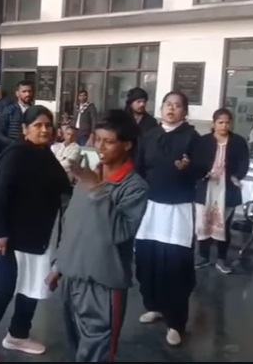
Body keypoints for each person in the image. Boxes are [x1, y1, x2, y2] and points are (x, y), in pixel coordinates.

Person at [0, 106, 73, 363]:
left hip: (39, 236)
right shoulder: (15, 155)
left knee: (33, 287)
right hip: (9, 238)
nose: (44, 130)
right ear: (25, 130)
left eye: (48, 125)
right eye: (37, 125)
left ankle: (18, 334)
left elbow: (63, 187)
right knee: (1, 290)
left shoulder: (45, 154)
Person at [48, 110, 148, 362]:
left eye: (108, 141)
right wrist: (59, 265)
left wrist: (96, 189)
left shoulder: (133, 187)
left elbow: (120, 231)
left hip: (103, 284)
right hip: (73, 277)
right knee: (77, 347)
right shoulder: (91, 175)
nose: (99, 147)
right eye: (97, 139)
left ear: (127, 145)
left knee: (97, 352)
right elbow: (73, 224)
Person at [133, 91, 202, 346]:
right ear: (161, 108)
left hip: (177, 208)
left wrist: (188, 168)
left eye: (177, 105)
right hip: (151, 206)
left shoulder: (192, 138)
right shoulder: (149, 135)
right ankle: (154, 305)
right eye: (167, 105)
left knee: (175, 265)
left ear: (185, 111)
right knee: (147, 259)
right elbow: (138, 168)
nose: (171, 109)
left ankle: (176, 322)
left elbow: (202, 169)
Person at [194, 108, 250, 275]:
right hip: (206, 185)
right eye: (220, 122)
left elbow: (244, 162)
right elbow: (196, 162)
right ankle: (203, 256)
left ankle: (221, 259)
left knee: (223, 225)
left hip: (228, 187)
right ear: (214, 123)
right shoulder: (204, 141)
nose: (224, 126)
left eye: (227, 122)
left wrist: (237, 176)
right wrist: (204, 173)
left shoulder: (238, 141)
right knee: (204, 222)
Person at [0, 80, 34, 149]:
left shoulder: (35, 111)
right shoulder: (9, 110)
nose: (27, 94)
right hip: (12, 148)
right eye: (24, 91)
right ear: (17, 93)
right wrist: (13, 143)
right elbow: (0, 133)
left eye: (29, 91)